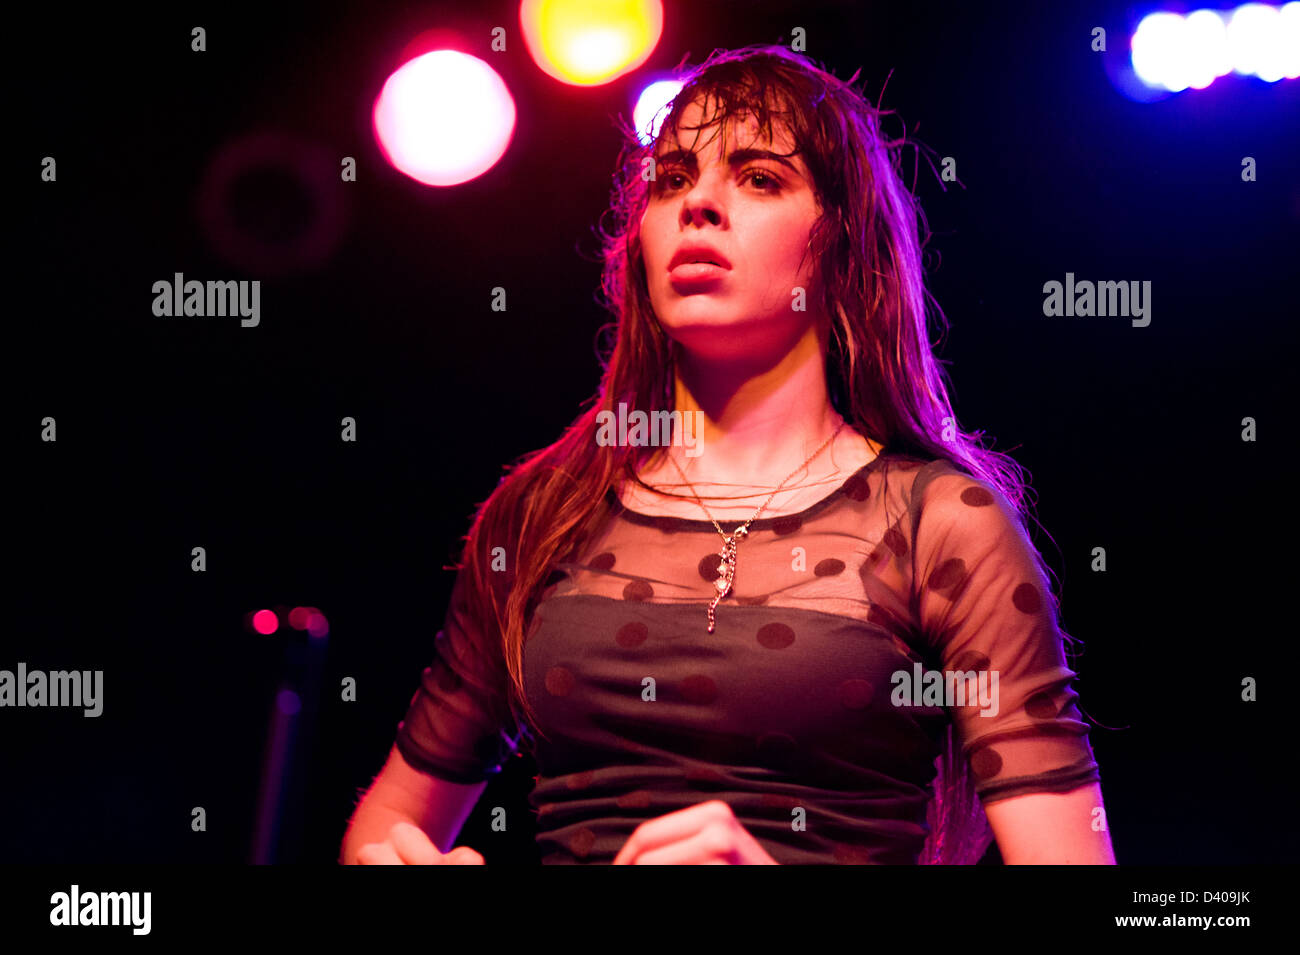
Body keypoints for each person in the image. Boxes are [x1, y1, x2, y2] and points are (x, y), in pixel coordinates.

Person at [340, 44, 1115, 865]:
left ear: (841, 243)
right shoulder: (544, 510)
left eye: (758, 177)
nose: (698, 203)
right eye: (672, 178)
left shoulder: (938, 524)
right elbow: (383, 827)